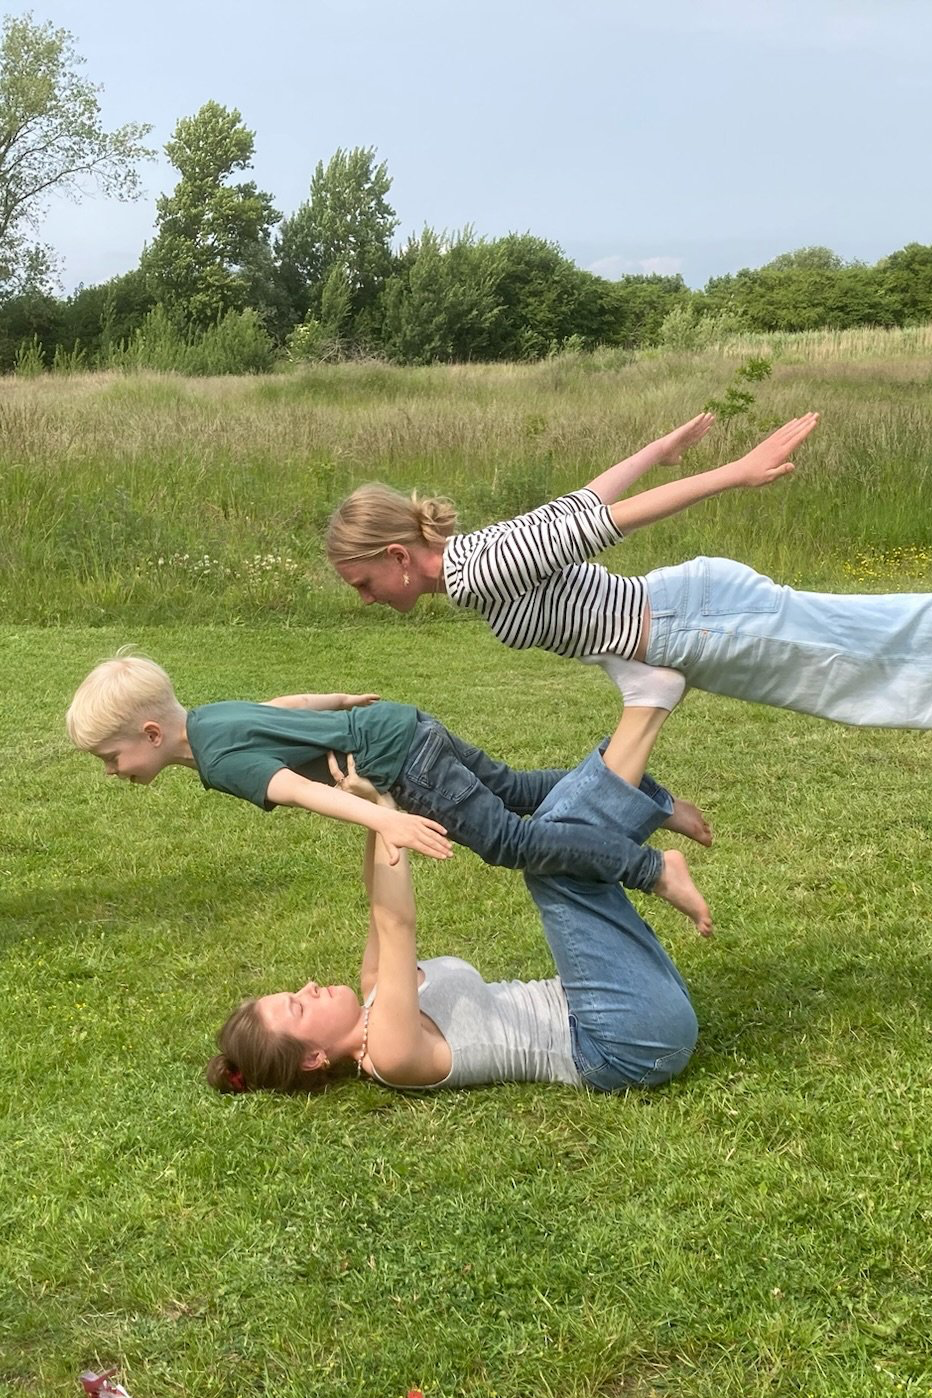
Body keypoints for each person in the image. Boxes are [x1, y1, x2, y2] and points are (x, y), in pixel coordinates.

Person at [206, 701, 704, 1097]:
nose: (308, 986)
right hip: (622, 1043)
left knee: (545, 832)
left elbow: (376, 896)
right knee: (547, 860)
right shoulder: (390, 1053)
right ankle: (648, 717)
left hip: (616, 1002)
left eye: (294, 991)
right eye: (297, 1005)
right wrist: (383, 811)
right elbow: (397, 923)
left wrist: (373, 804)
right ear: (312, 1057)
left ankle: (648, 796)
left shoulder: (376, 990)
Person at [326, 412, 932, 729]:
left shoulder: (474, 574)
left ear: (398, 557)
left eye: (363, 583)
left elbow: (602, 521)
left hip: (699, 621)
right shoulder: (474, 559)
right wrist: (657, 452)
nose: (365, 599)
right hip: (693, 623)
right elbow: (577, 505)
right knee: (866, 667)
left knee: (874, 657)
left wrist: (735, 473)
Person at [65, 653, 710, 919]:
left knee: (510, 839)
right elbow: (284, 707)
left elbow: (296, 789)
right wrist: (342, 699)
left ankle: (652, 867)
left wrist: (384, 820)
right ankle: (651, 801)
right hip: (401, 724)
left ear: (151, 735)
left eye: (110, 757)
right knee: (513, 788)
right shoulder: (208, 719)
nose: (111, 772)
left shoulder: (215, 761)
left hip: (400, 763)